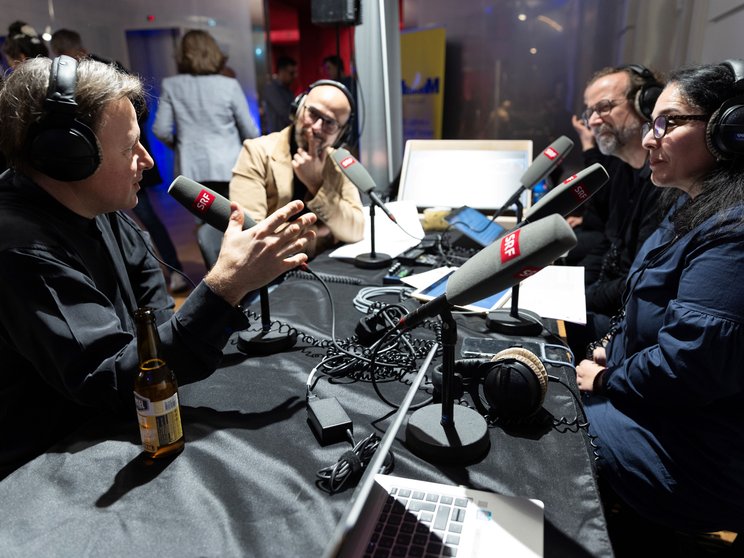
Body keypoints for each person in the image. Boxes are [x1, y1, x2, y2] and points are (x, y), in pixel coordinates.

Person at [0, 56, 317, 479]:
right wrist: (224, 287)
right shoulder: (20, 249)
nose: (147, 160)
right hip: (52, 462)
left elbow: (156, 320)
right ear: (68, 157)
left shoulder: (102, 208)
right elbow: (109, 378)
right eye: (129, 146)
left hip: (118, 422)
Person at [576, 61, 744, 553]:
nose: (651, 139)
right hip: (660, 410)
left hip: (696, 452)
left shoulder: (734, 234)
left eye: (668, 123)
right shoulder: (691, 204)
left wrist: (606, 378)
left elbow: (688, 365)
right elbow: (636, 300)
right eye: (652, 123)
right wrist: (612, 347)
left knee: (549, 429)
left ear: (728, 131)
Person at [52, 27, 189, 293]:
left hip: (120, 165)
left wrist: (126, 145)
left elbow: (139, 115)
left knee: (145, 219)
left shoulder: (108, 72)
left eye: (63, 55)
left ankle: (174, 270)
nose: (63, 66)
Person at [565, 64, 665, 358]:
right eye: (590, 111)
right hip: (607, 303)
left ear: (645, 103)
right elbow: (608, 245)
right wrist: (573, 292)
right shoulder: (622, 171)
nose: (594, 121)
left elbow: (641, 280)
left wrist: (581, 299)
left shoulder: (667, 184)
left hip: (630, 325)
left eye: (605, 107)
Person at [230, 80, 364, 256]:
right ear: (298, 108)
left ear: (341, 133)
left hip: (322, 266)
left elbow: (356, 230)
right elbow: (249, 236)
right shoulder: (257, 152)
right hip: (271, 274)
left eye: (329, 123)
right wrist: (320, 231)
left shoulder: (338, 162)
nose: (317, 127)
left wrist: (316, 185)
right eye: (313, 114)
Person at [153, 29, 259, 200]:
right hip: (229, 166)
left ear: (183, 55)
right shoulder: (229, 85)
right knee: (229, 219)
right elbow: (251, 132)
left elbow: (161, 130)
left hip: (191, 168)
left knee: (204, 219)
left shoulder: (171, 85)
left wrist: (179, 145)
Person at [260, 55, 298, 134]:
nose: (294, 76)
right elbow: (285, 113)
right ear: (282, 71)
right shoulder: (271, 88)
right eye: (291, 73)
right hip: (276, 136)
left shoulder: (287, 89)